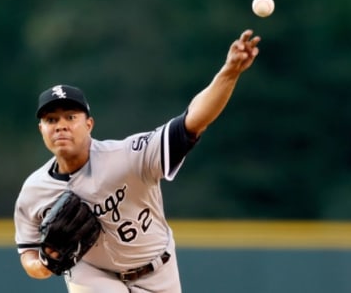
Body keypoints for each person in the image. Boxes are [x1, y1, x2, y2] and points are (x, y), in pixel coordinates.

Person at [13, 29, 261, 293]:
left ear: (89, 124)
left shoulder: (129, 156)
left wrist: (229, 72)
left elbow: (193, 121)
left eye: (70, 117)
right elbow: (27, 254)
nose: (61, 126)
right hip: (92, 275)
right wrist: (43, 264)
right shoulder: (34, 191)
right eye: (51, 120)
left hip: (157, 270)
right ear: (41, 129)